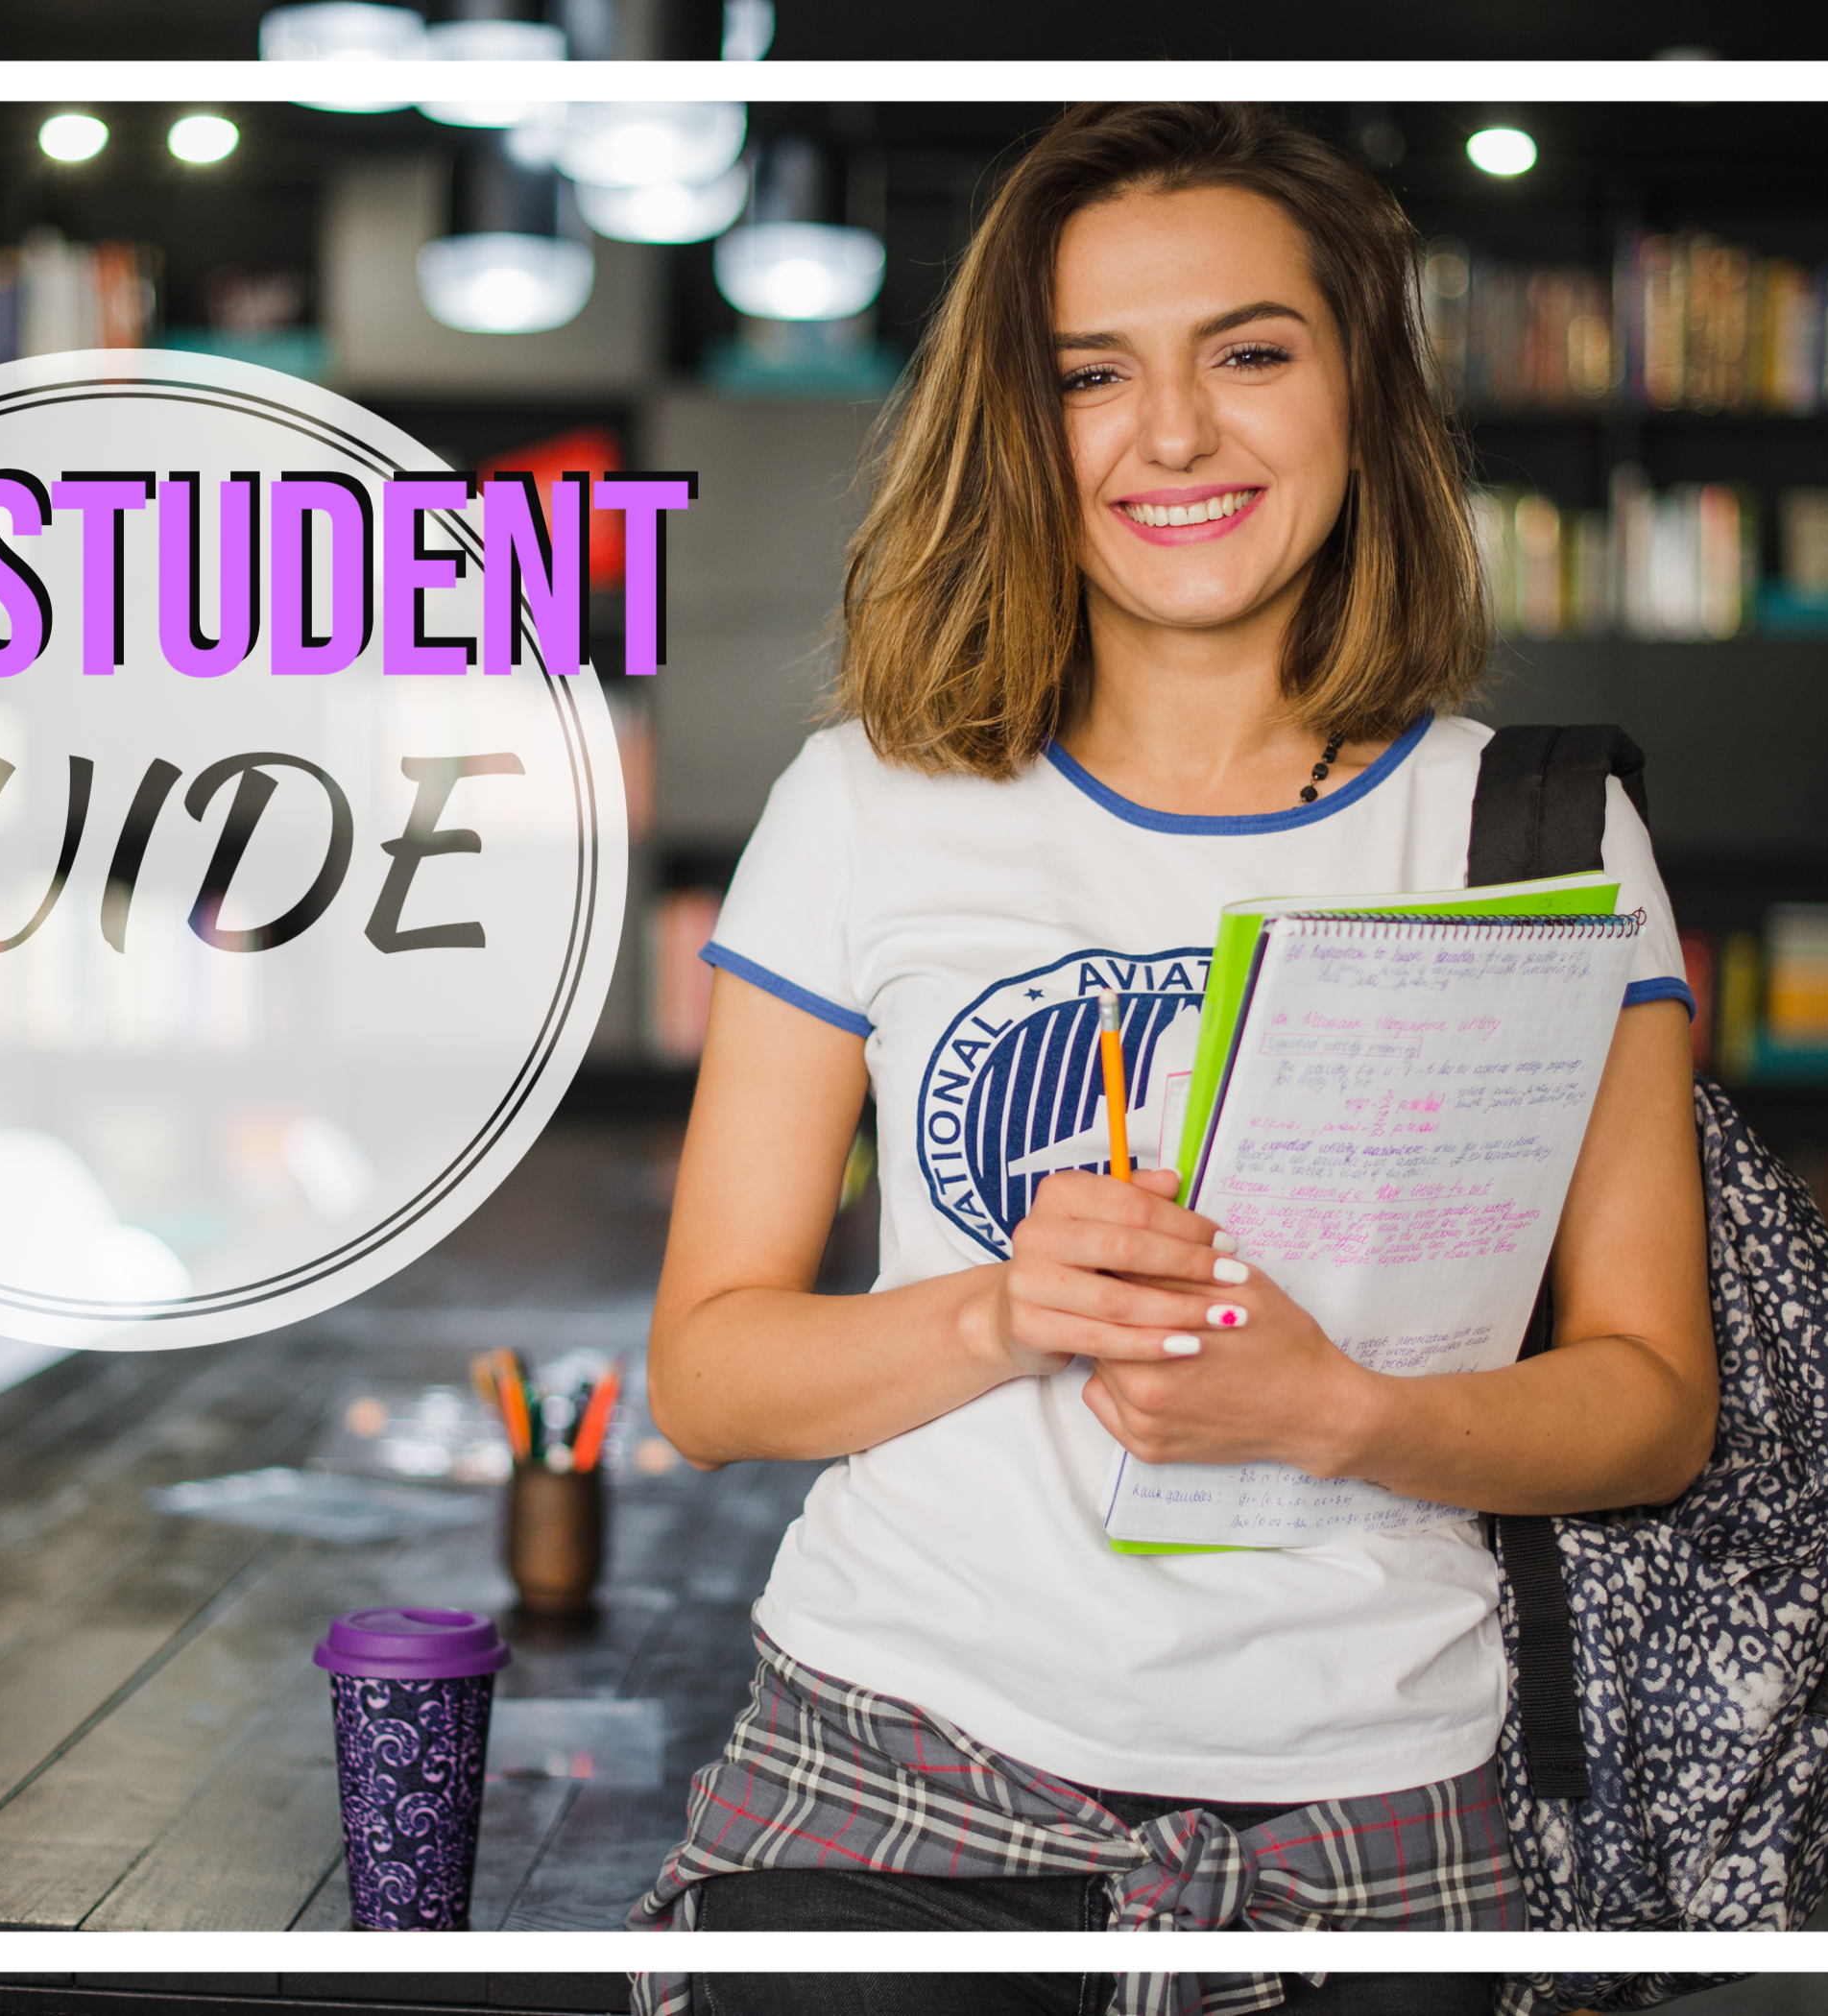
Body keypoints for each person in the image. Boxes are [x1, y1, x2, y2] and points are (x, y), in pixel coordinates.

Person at [627, 103, 1715, 2016]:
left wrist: (1340, 1416)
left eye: (1251, 352)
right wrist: (1002, 1313)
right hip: (898, 1796)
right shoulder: (871, 804)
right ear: (1018, 433)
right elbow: (709, 1379)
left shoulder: (1533, 833)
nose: (1178, 431)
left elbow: (1650, 1406)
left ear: (1363, 394)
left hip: (1382, 1833)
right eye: (1091, 374)